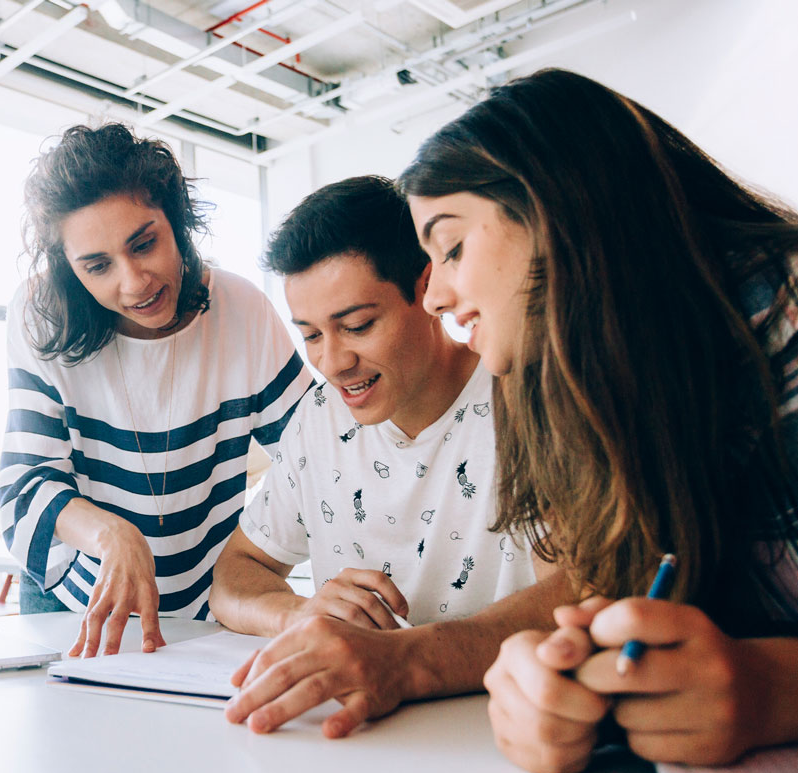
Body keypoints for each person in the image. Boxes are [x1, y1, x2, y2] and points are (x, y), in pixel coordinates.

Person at [398, 68, 798, 773]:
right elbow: (607, 599)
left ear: (555, 210)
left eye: (450, 247)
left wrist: (780, 690)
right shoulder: (574, 394)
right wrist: (561, 682)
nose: (436, 296)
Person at [211, 175, 570, 739]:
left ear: (427, 287)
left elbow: (579, 589)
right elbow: (235, 574)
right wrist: (298, 614)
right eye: (309, 335)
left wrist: (405, 658)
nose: (332, 362)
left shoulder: (526, 396)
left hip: (500, 734)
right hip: (357, 739)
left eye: (357, 326)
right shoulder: (316, 420)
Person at [0, 123, 312, 657]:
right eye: (97, 266)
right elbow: (25, 488)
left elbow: (319, 457)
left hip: (205, 601)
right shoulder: (42, 316)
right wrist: (110, 534)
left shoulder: (242, 311)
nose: (134, 282)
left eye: (144, 244)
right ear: (71, 271)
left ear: (178, 222)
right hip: (76, 603)